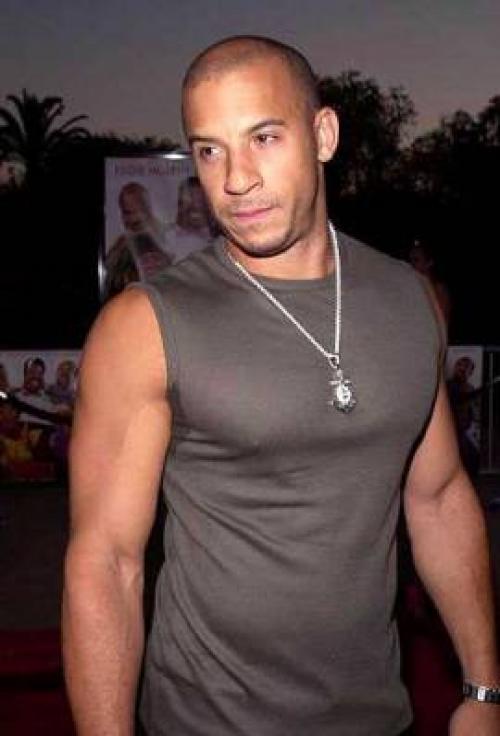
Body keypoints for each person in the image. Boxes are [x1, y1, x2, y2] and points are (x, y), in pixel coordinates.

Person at [63, 36, 499, 736]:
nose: (236, 179)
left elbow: (440, 495)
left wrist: (484, 688)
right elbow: (106, 562)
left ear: (323, 135)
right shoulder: (143, 326)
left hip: (378, 718)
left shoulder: (410, 300)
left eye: (263, 138)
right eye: (210, 150)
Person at [164, 175, 216, 261]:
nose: (193, 207)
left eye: (199, 201)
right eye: (187, 201)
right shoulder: (167, 237)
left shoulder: (220, 238)